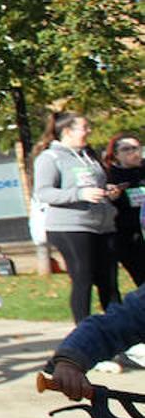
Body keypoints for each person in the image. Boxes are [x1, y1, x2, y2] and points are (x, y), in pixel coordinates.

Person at [33, 111, 119, 324]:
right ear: (67, 131)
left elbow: (94, 185)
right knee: (83, 277)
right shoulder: (50, 157)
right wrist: (79, 194)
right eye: (84, 127)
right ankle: (84, 331)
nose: (89, 131)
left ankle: (120, 331)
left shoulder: (89, 156)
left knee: (108, 280)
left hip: (102, 225)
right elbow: (43, 193)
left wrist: (108, 190)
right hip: (71, 226)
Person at [103, 133, 145, 288]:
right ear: (116, 154)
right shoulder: (110, 176)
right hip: (128, 235)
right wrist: (112, 197)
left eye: (136, 148)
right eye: (126, 149)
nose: (133, 152)